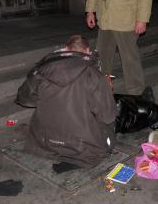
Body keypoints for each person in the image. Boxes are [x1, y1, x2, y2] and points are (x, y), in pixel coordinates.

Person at [20, 35, 118, 172]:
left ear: (66, 49)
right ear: (88, 50)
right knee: (109, 130)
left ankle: (56, 148)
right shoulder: (94, 74)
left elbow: (25, 99)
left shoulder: (41, 70)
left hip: (45, 139)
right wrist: (107, 89)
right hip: (81, 144)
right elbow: (108, 116)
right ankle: (76, 154)